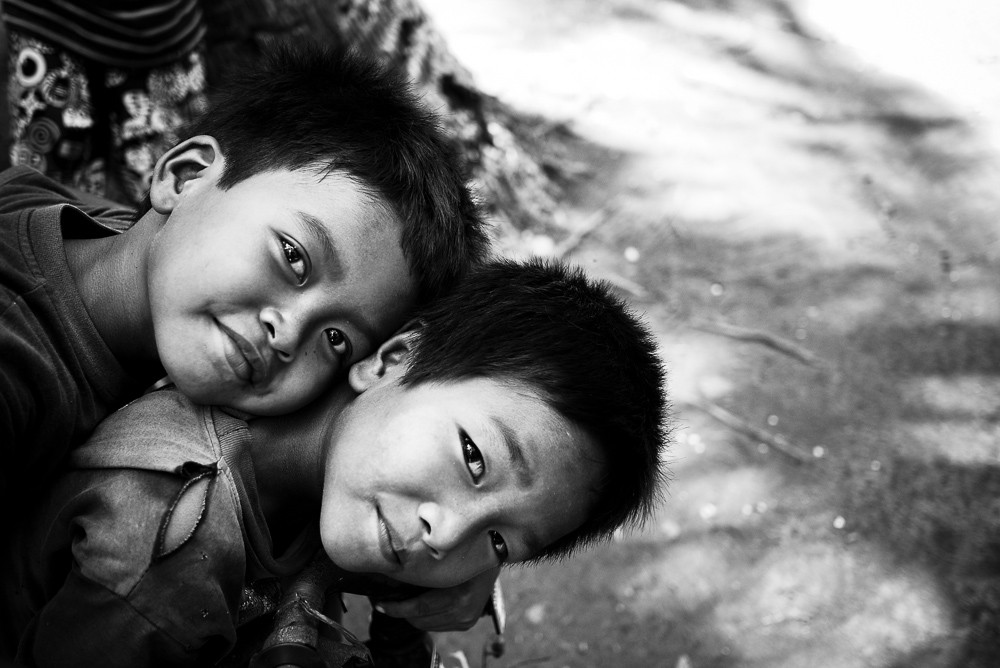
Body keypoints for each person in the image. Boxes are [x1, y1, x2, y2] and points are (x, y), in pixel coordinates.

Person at [0, 257, 670, 667]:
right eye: (472, 458)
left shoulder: (329, 434)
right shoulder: (169, 556)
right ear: (393, 358)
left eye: (499, 539)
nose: (448, 534)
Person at [0, 41, 489, 519]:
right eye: (294, 258)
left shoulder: (107, 237)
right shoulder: (16, 371)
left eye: (336, 338)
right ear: (186, 177)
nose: (289, 333)